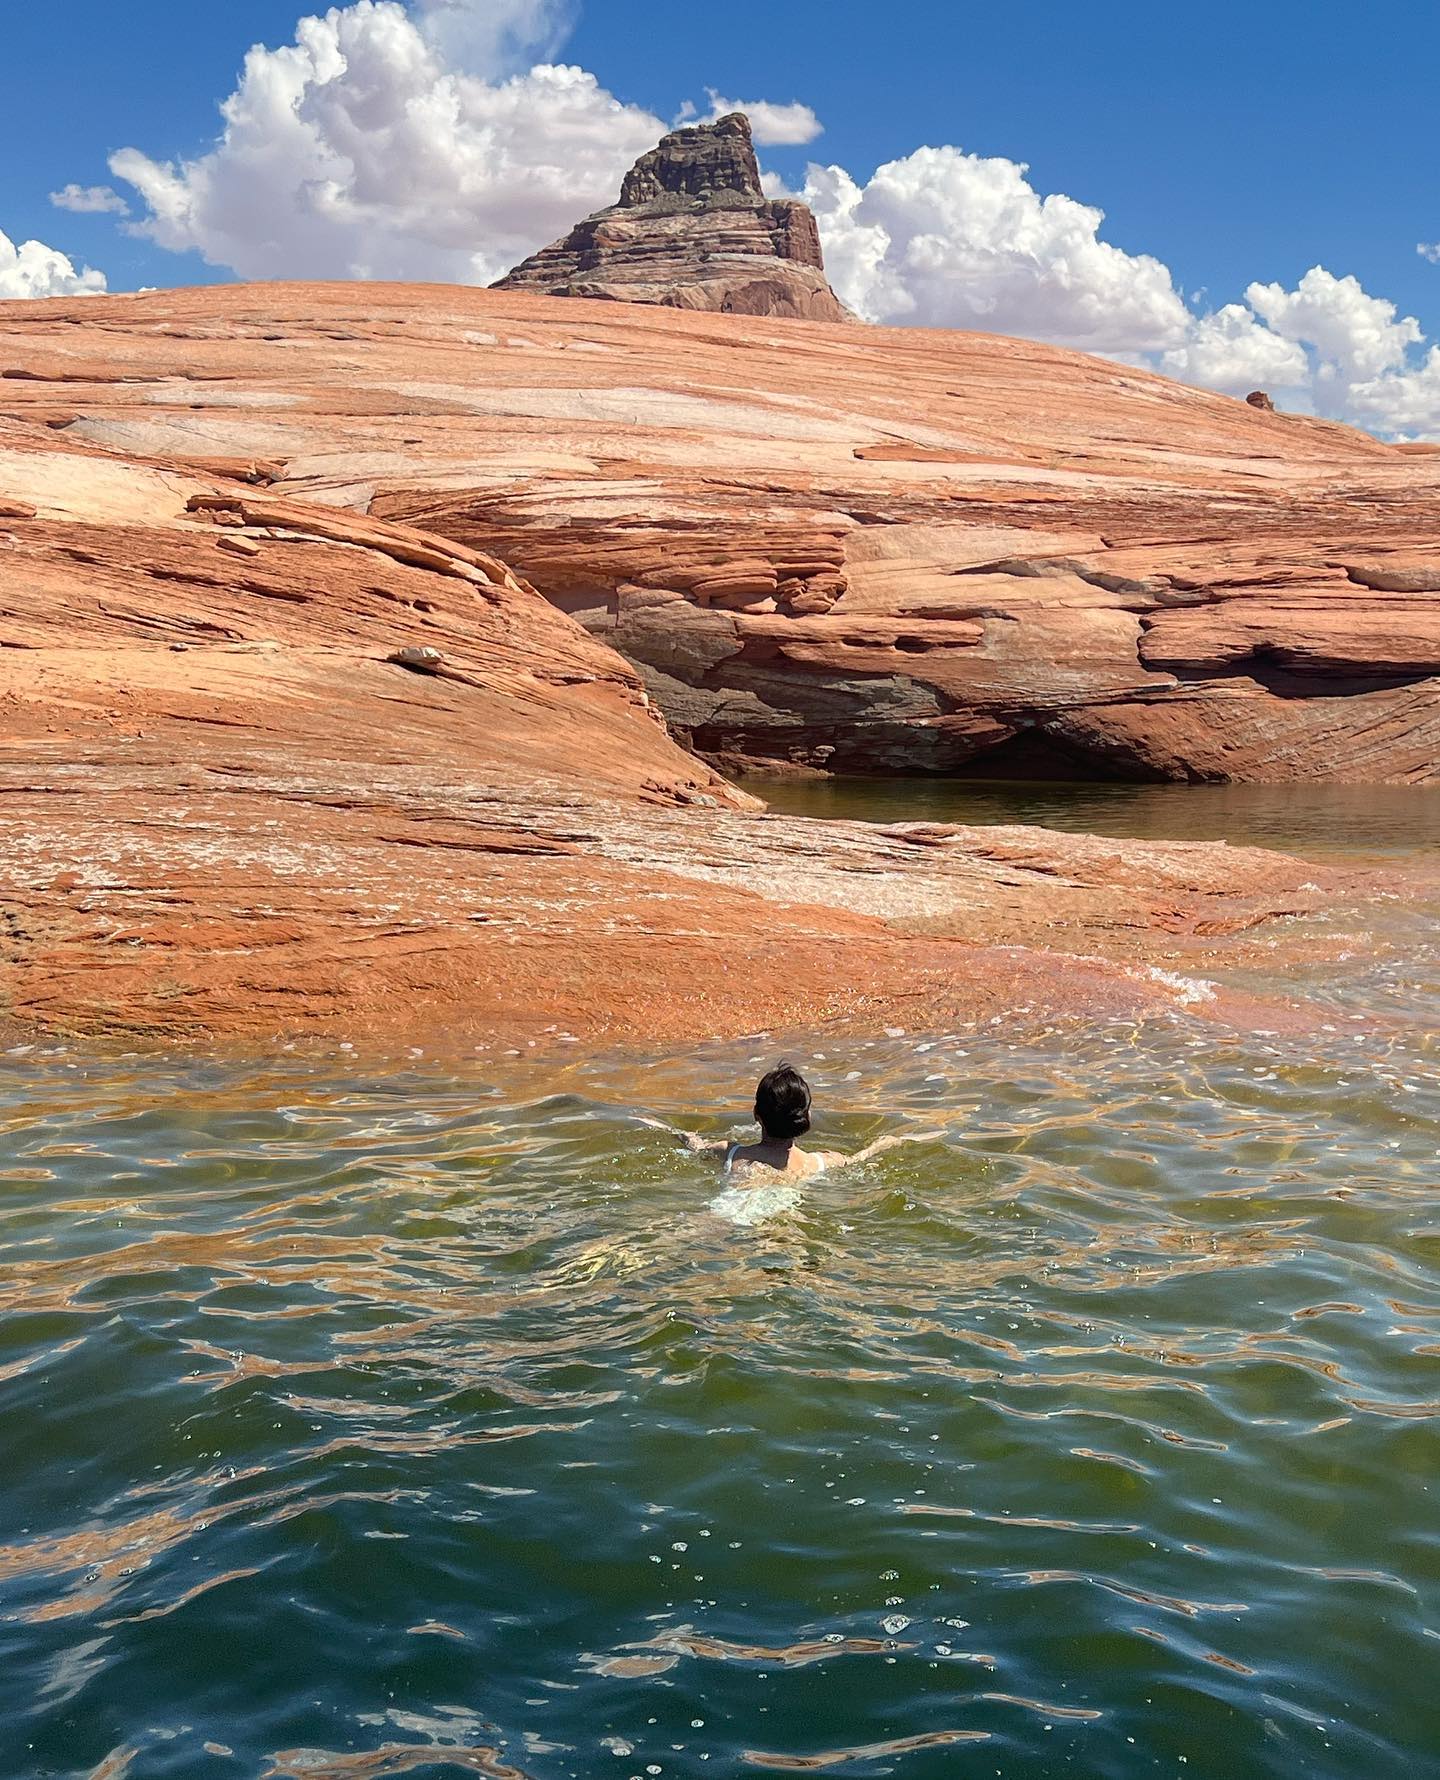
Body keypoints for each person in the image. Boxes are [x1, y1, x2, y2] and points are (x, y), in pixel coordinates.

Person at [652, 1063, 934, 1181]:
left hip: (732, 1218)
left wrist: (670, 1129)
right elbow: (859, 1158)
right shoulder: (819, 1163)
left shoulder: (732, 1153)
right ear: (806, 1117)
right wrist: (885, 1143)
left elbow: (695, 1146)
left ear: (756, 1115)